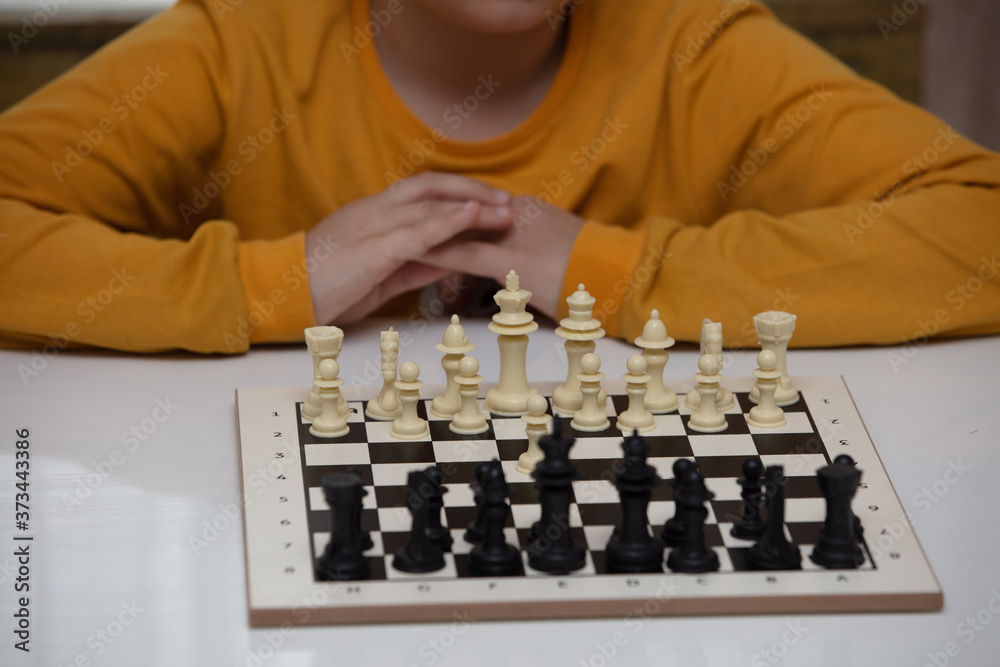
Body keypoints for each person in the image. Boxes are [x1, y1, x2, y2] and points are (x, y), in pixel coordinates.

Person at [0, 0, 998, 354]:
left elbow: (978, 224)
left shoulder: (692, 42)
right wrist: (277, 282)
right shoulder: (238, 40)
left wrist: (607, 270)